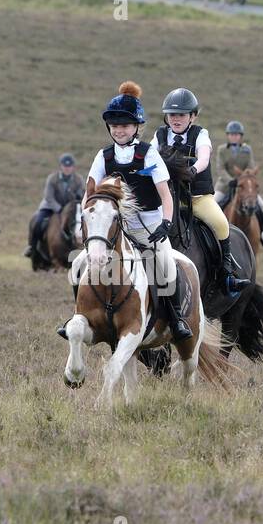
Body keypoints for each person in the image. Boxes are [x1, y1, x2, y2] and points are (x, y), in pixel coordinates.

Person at [85, 81, 190, 340]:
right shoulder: (104, 156)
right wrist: (88, 225)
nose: (119, 130)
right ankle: (80, 314)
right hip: (115, 227)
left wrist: (165, 224)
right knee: (80, 263)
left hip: (149, 226)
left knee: (166, 265)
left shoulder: (149, 155)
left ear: (137, 127)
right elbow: (88, 195)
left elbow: (166, 195)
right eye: (115, 126)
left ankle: (176, 319)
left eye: (125, 125)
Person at [152, 88, 251, 294]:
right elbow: (149, 157)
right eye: (172, 115)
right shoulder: (159, 135)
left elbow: (204, 157)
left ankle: (227, 273)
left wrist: (193, 169)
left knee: (221, 224)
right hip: (167, 199)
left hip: (197, 198)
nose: (176, 119)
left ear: (193, 116)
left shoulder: (200, 134)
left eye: (181, 115)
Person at [215, 120, 263, 245]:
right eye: (231, 134)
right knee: (214, 204)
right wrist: (231, 181)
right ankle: (211, 233)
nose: (234, 137)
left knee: (262, 206)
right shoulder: (221, 150)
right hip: (225, 186)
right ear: (228, 136)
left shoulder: (247, 149)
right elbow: (220, 169)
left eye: (236, 135)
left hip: (244, 186)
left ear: (241, 136)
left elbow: (251, 167)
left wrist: (246, 177)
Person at [25, 153, 86, 258]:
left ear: (73, 167)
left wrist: (78, 197)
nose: (67, 168)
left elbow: (81, 196)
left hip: (71, 210)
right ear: (61, 166)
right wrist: (59, 208)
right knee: (37, 222)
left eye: (69, 166)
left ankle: (84, 248)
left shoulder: (79, 180)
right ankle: (32, 247)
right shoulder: (52, 179)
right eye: (65, 166)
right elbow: (48, 197)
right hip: (51, 208)